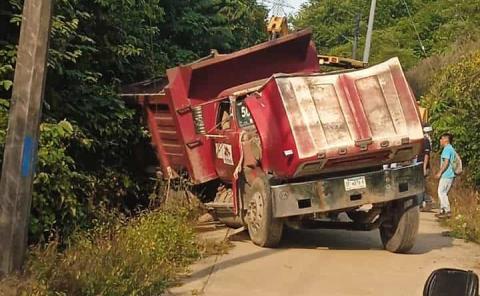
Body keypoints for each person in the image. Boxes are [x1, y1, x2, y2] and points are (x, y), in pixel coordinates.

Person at [435, 132, 456, 218]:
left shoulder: (447, 149)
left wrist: (439, 172)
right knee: (444, 193)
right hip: (450, 174)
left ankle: (447, 210)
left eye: (442, 138)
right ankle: (442, 211)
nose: (440, 140)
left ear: (446, 140)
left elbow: (446, 162)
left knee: (441, 192)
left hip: (446, 175)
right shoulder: (451, 148)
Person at [418, 126, 433, 211]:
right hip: (419, 165)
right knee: (420, 185)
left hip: (423, 166)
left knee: (421, 185)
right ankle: (425, 202)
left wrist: (424, 167)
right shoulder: (421, 140)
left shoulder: (425, 140)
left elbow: (426, 155)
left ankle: (425, 202)